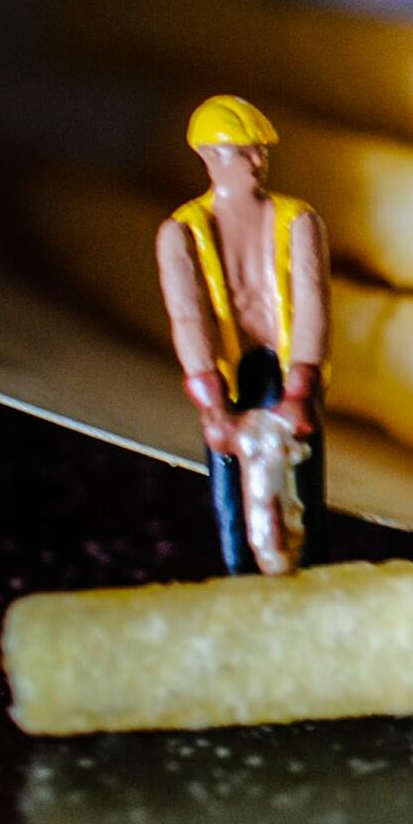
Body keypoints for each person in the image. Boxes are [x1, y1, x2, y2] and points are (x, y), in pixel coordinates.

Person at [155, 95, 329, 576]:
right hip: (226, 369)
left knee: (302, 464)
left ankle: (309, 560)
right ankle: (239, 569)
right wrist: (212, 405)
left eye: (261, 151)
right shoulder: (181, 231)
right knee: (228, 476)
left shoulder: (299, 219)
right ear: (208, 157)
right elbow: (188, 319)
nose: (256, 162)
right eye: (242, 151)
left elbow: (313, 302)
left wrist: (301, 389)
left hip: (287, 362)